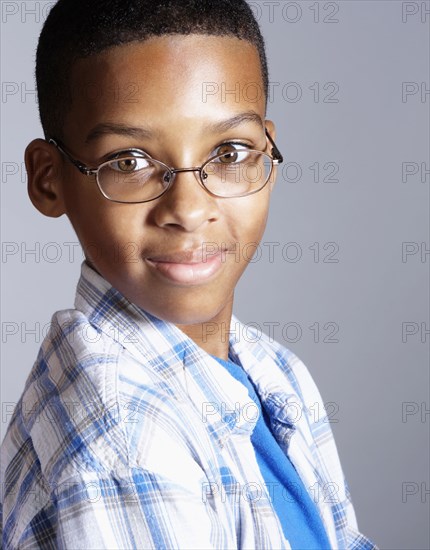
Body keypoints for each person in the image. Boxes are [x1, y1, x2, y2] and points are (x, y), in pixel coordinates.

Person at [0, 1, 378, 548]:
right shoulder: (124, 442)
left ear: (267, 153)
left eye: (230, 151)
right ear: (48, 179)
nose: (189, 207)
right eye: (129, 161)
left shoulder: (276, 375)